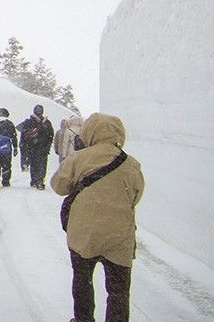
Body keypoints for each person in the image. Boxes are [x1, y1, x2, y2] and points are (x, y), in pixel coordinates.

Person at [50, 113, 144, 322]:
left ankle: (83, 319)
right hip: (119, 235)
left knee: (83, 280)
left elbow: (58, 186)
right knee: (118, 291)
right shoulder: (130, 163)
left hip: (85, 232)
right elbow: (136, 196)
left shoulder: (79, 158)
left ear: (89, 132)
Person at [18, 104, 54, 189]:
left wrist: (23, 147)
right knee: (42, 165)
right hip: (43, 148)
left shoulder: (28, 122)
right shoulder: (47, 123)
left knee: (33, 165)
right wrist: (48, 146)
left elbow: (23, 136)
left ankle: (34, 181)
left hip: (31, 148)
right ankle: (40, 181)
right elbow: (51, 135)